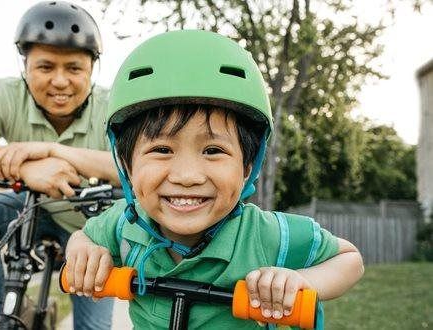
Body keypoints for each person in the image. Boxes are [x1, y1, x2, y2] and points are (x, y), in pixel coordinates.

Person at [64, 30, 365, 329]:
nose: (187, 176)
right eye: (162, 149)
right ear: (127, 166)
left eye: (213, 150)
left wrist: (302, 281)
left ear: (248, 166)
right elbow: (85, 237)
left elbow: (349, 260)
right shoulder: (124, 223)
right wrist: (83, 251)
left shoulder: (264, 234)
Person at [0, 1, 118, 329]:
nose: (60, 81)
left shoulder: (112, 105)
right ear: (25, 67)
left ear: (92, 69)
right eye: (45, 67)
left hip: (88, 224)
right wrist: (22, 170)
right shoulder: (6, 94)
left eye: (74, 69)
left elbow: (136, 168)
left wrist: (53, 152)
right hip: (27, 206)